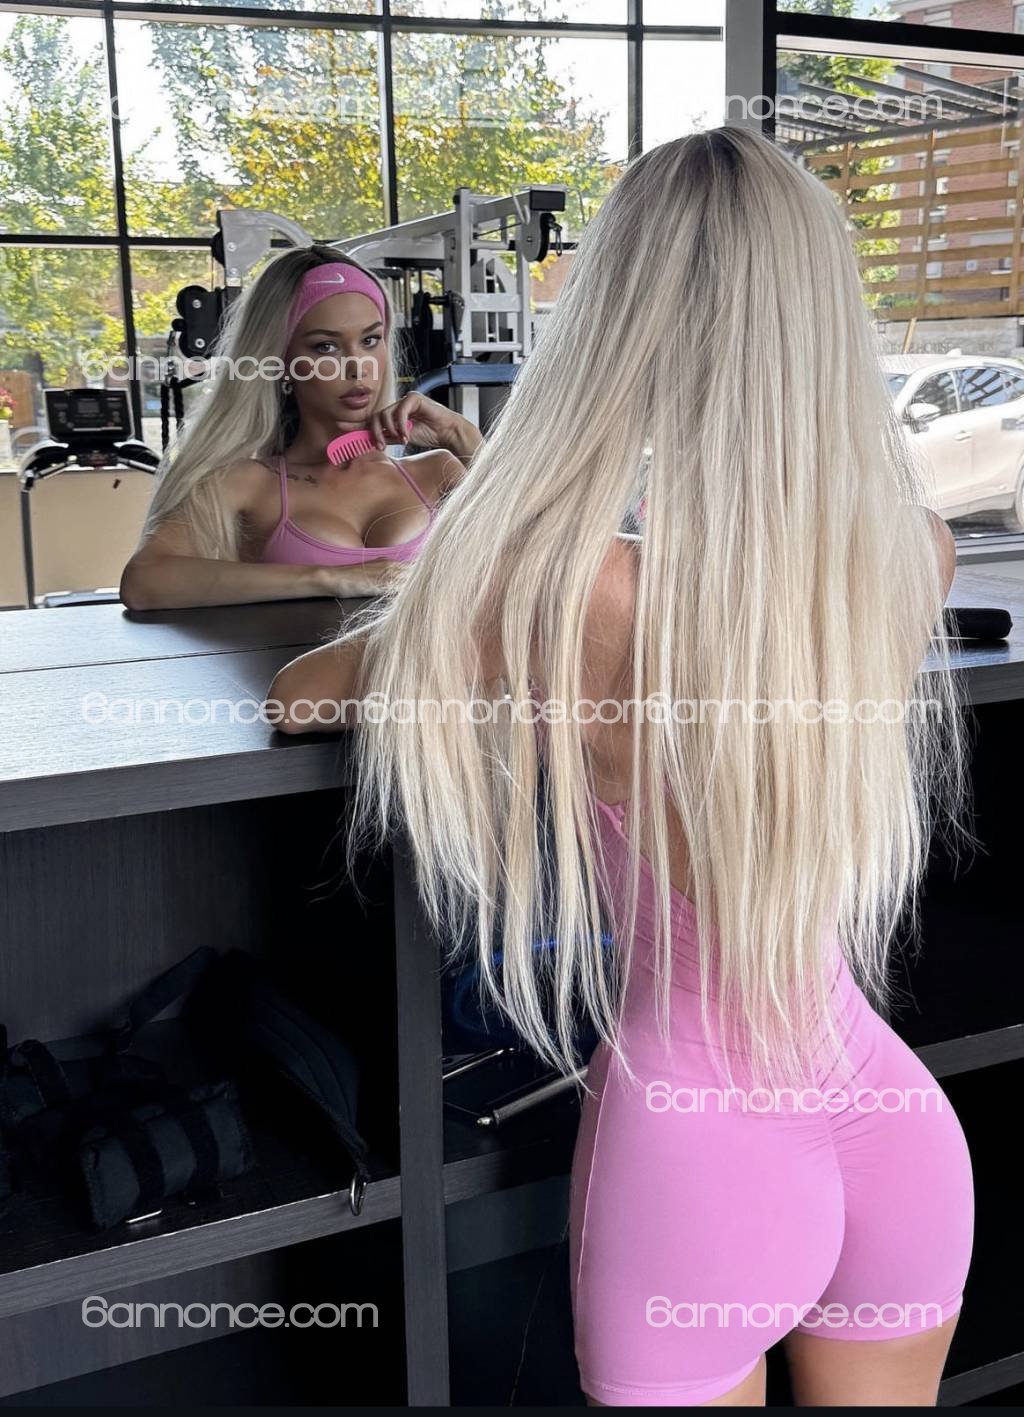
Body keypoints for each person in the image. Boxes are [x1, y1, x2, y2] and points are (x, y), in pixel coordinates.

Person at [266, 128, 973, 1407]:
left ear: (615, 325)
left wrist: (461, 544)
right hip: (895, 1126)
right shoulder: (909, 554)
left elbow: (302, 696)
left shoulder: (559, 588)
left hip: (700, 1157)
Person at [120, 244, 481, 609]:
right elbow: (144, 580)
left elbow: (521, 562)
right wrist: (330, 578)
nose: (358, 367)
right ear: (280, 362)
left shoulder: (438, 472)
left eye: (370, 340)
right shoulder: (246, 482)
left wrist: (461, 436)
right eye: (326, 347)